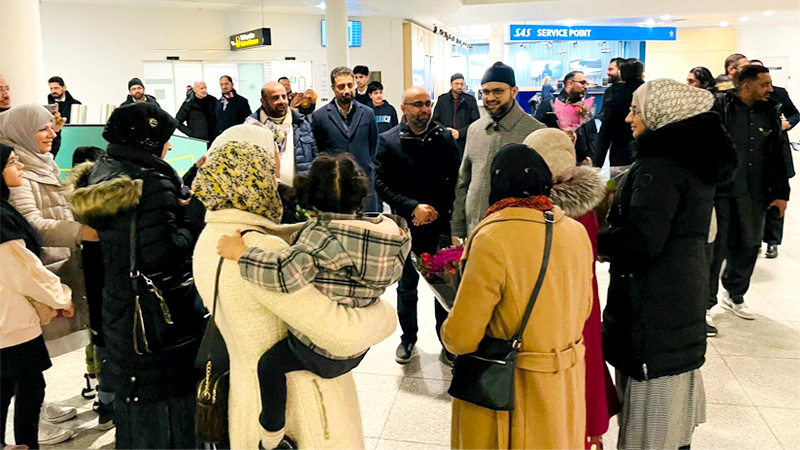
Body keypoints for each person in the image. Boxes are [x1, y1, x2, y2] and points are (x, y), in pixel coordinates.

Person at [190, 138, 399, 449]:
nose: (276, 183)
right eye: (270, 172)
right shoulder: (261, 249)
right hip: (304, 416)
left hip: (248, 397)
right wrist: (386, 315)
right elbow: (339, 334)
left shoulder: (211, 239)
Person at [599, 79, 737, 450]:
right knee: (672, 424)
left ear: (660, 113)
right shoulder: (693, 159)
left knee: (649, 430)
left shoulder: (658, 166)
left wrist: (592, 240)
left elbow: (643, 240)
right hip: (679, 295)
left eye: (635, 110)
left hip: (652, 308)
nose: (629, 118)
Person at [66, 103, 206, 449]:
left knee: (136, 396)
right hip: (158, 314)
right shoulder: (151, 181)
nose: (169, 146)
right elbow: (164, 253)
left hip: (120, 302)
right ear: (147, 139)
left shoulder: (106, 173)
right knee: (166, 399)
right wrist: (194, 218)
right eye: (165, 138)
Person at [442, 143, 594, 449]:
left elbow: (461, 338)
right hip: (565, 384)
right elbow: (585, 308)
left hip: (512, 391)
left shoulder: (492, 238)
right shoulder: (576, 232)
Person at [523, 128, 617, 449]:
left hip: (555, 306)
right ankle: (591, 432)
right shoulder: (587, 208)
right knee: (587, 361)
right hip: (585, 301)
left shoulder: (546, 214)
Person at [375, 86, 462, 365]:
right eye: (417, 105)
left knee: (443, 289)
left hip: (439, 225)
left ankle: (447, 341)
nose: (424, 110)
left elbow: (456, 179)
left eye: (427, 104)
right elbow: (380, 183)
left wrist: (434, 210)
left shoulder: (445, 139)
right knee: (406, 288)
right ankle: (408, 339)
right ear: (403, 108)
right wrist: (413, 207)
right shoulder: (388, 141)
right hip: (407, 227)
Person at [1, 143, 74, 450]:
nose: (20, 169)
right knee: (29, 385)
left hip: (10, 317)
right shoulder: (2, 220)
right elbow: (23, 270)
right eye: (13, 163)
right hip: (11, 320)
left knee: (7, 386)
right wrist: (62, 297)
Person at [708, 65, 792, 321]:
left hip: (756, 192)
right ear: (746, 85)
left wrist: (782, 193)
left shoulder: (770, 112)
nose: (770, 89)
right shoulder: (720, 108)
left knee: (749, 244)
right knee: (716, 248)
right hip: (721, 191)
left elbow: (778, 155)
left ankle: (735, 295)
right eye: (764, 84)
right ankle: (706, 304)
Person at [451, 61, 545, 242]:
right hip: (475, 231)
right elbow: (464, 182)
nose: (490, 97)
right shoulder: (475, 130)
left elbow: (544, 192)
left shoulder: (535, 131)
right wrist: (457, 227)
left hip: (517, 236)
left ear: (514, 91)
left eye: (498, 91)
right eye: (485, 92)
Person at [312, 66, 380, 212]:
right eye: (341, 86)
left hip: (364, 184)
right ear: (333, 88)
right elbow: (319, 151)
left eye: (350, 85)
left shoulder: (368, 113)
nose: (347, 90)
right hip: (335, 187)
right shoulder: (320, 117)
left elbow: (373, 145)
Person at [749, 60, 798, 258]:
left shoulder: (779, 93)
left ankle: (772, 241)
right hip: (755, 157)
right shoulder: (739, 100)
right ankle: (755, 238)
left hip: (777, 153)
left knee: (777, 199)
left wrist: (788, 124)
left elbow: (795, 113)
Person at [246, 81, 319, 185]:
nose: (281, 101)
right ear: (263, 101)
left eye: (283, 97)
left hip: (298, 193)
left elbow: (314, 157)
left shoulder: (301, 125)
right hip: (266, 193)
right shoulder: (252, 127)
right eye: (275, 98)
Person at [535, 70, 596, 163]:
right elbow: (538, 133)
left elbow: (593, 133)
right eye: (582, 83)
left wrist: (592, 155)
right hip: (556, 162)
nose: (586, 86)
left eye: (586, 83)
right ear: (570, 83)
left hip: (583, 162)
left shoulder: (585, 107)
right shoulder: (549, 105)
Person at [595, 59, 645, 168]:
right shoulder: (649, 94)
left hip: (621, 154)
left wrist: (596, 165)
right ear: (642, 74)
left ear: (621, 74)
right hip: (646, 154)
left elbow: (605, 133)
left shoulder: (615, 96)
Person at [432, 73, 480, 155]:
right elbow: (435, 120)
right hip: (445, 140)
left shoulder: (470, 100)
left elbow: (476, 123)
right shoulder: (442, 100)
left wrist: (460, 133)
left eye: (462, 84)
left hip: (464, 141)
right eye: (456, 84)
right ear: (451, 84)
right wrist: (446, 131)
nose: (459, 86)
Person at [47, 76, 82, 157]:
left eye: (56, 88)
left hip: (69, 138)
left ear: (64, 88)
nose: (53, 91)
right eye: (51, 88)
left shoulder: (75, 104)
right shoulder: (45, 102)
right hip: (51, 138)